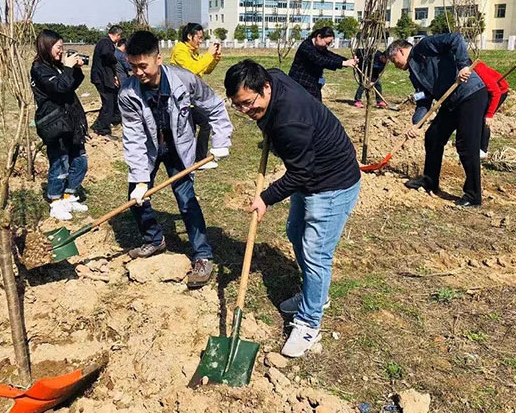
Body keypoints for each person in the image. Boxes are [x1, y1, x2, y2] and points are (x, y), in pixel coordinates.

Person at [224, 60, 361, 358]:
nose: (245, 112)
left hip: (331, 184)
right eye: (238, 106)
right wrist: (266, 126)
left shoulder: (290, 122)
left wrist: (266, 197)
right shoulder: (271, 78)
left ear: (266, 88)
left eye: (249, 103)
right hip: (313, 174)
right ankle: (315, 293)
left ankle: (310, 321)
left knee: (316, 252)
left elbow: (300, 174)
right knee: (294, 231)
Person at [118, 30, 233, 288]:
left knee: (185, 198)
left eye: (143, 66)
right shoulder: (128, 93)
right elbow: (134, 136)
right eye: (132, 66)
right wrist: (139, 179)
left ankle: (203, 255)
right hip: (149, 147)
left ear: (158, 59)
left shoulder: (185, 80)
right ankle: (154, 239)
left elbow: (214, 106)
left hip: (178, 146)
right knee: (135, 196)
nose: (138, 73)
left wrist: (221, 141)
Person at [386, 34, 487, 207]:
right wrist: (416, 124)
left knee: (466, 145)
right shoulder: (413, 75)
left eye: (394, 60)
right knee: (433, 136)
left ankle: (473, 195)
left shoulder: (425, 46)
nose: (395, 66)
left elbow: (456, 38)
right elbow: (423, 101)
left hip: (470, 94)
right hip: (450, 102)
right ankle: (430, 181)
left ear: (401, 51)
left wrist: (463, 66)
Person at [30, 29, 89, 220]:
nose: (61, 51)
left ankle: (69, 196)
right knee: (60, 162)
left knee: (80, 160)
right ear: (46, 47)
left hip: (70, 120)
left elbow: (71, 85)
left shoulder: (57, 66)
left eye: (62, 47)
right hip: (55, 123)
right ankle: (55, 201)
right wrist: (68, 68)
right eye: (58, 47)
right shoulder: (39, 69)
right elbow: (59, 87)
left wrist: (76, 68)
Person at [170, 22, 222, 168]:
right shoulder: (180, 50)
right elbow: (191, 70)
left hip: (192, 96)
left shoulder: (194, 52)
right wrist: (209, 55)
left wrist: (215, 58)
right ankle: (189, 160)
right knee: (189, 130)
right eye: (198, 37)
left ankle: (199, 159)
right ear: (189, 36)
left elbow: (205, 70)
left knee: (205, 123)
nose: (201, 40)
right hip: (180, 97)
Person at [288, 26, 357, 101]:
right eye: (327, 43)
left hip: (313, 85)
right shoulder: (306, 47)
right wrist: (343, 63)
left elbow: (330, 55)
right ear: (319, 37)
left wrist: (347, 60)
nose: (327, 46)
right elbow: (321, 60)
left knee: (317, 109)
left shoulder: (319, 47)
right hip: (299, 85)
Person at [91, 25, 125, 136]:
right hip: (101, 78)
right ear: (117, 35)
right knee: (108, 104)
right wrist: (114, 60)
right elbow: (106, 54)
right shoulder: (106, 43)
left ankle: (104, 122)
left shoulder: (106, 43)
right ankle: (103, 130)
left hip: (106, 78)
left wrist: (114, 75)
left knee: (110, 101)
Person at [474, 62, 509, 158]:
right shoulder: (473, 69)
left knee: (484, 119)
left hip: (499, 91)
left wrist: (490, 114)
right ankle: (475, 144)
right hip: (488, 91)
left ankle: (483, 149)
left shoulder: (478, 72)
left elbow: (496, 92)